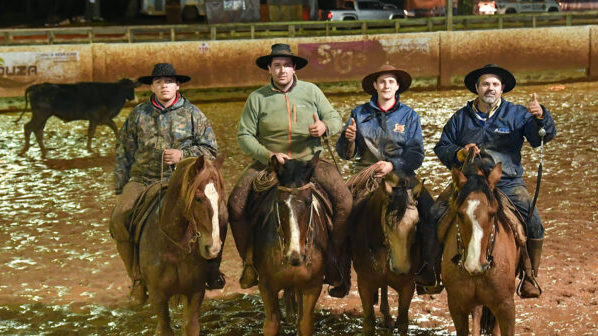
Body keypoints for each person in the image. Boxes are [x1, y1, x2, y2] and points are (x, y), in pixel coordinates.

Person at [228, 43, 353, 298]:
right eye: (277, 65)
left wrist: (324, 128)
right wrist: (268, 154)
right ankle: (250, 263)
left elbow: (335, 119)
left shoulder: (312, 91)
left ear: (294, 68)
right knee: (235, 205)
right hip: (271, 165)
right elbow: (244, 135)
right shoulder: (257, 98)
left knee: (345, 201)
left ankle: (333, 260)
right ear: (269, 69)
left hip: (309, 162)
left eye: (286, 65)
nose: (282, 69)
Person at [433, 64, 556, 298]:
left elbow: (540, 137)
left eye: (495, 84)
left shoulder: (519, 114)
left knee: (535, 222)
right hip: (469, 183)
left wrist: (541, 117)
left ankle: (529, 276)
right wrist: (459, 153)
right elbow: (442, 147)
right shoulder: (460, 118)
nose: (490, 88)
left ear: (502, 89)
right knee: (434, 214)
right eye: (486, 84)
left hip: (507, 181)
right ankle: (431, 270)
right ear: (477, 88)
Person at [110, 63, 219, 303]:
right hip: (143, 179)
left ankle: (211, 271)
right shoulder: (138, 114)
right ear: (152, 86)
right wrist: (120, 186)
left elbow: (211, 149)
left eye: (168, 81)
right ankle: (137, 278)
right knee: (118, 220)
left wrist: (184, 155)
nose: (164, 85)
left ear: (177, 85)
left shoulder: (193, 114)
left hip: (183, 181)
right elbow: (124, 151)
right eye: (159, 82)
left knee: (215, 214)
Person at [336, 64, 441, 293]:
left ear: (397, 86)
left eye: (390, 82)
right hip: (366, 174)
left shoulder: (409, 115)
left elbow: (416, 154)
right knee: (341, 214)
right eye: (382, 81)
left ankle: (428, 270)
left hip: (401, 175)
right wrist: (349, 140)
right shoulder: (359, 113)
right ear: (375, 86)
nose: (386, 85)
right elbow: (345, 154)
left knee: (431, 213)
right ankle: (341, 273)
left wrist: (393, 164)